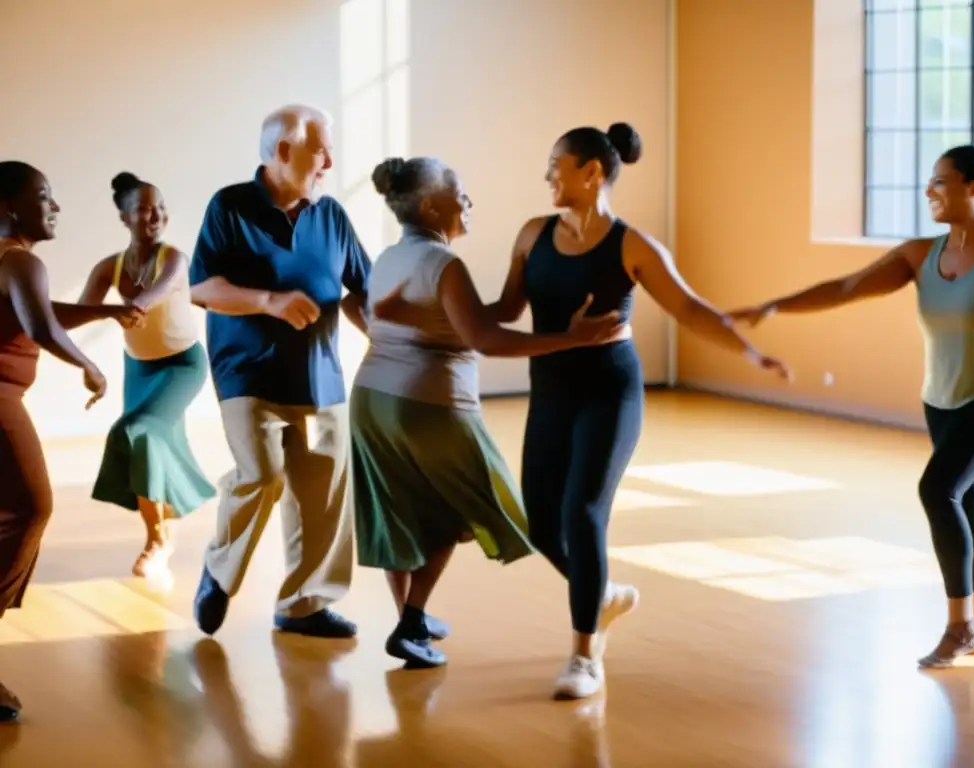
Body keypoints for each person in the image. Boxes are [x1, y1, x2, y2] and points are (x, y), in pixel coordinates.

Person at [486, 123, 791, 700]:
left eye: (558, 163)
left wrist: (748, 350)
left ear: (592, 172)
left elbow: (691, 309)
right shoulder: (532, 235)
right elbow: (505, 307)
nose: (548, 174)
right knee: (540, 521)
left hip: (609, 388)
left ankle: (584, 655)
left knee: (583, 513)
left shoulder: (632, 245)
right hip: (550, 386)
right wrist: (441, 308)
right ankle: (600, 594)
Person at [727, 144, 974, 669]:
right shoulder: (919, 255)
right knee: (969, 510)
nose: (929, 190)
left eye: (941, 180)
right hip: (942, 397)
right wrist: (776, 306)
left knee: (938, 490)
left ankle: (961, 627)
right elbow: (847, 287)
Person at [352, 156, 623, 669]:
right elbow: (485, 338)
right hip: (431, 404)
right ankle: (412, 619)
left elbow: (477, 315)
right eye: (459, 190)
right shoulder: (443, 264)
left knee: (402, 512)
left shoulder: (389, 257)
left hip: (372, 399)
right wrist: (572, 338)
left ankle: (410, 618)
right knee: (460, 509)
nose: (469, 199)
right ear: (432, 206)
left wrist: (524, 290)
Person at [188, 105, 372, 639]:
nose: (330, 163)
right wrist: (268, 300)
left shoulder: (331, 214)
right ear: (283, 151)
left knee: (322, 493)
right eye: (321, 151)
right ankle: (220, 571)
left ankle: (304, 604)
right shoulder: (230, 206)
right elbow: (203, 288)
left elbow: (362, 290)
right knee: (262, 475)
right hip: (248, 374)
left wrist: (389, 338)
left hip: (320, 378)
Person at [0, 160, 142, 722]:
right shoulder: (21, 260)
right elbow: (40, 326)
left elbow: (42, 313)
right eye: (43, 195)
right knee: (32, 508)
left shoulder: (11, 263)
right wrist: (90, 366)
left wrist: (105, 311)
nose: (54, 205)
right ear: (10, 207)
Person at [78, 172, 216, 578]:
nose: (155, 214)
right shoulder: (110, 266)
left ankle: (159, 539)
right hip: (138, 369)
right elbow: (81, 313)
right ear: (125, 218)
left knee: (137, 431)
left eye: (160, 206)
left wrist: (131, 307)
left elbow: (154, 295)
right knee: (146, 445)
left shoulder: (173, 257)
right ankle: (158, 537)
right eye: (143, 208)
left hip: (181, 365)